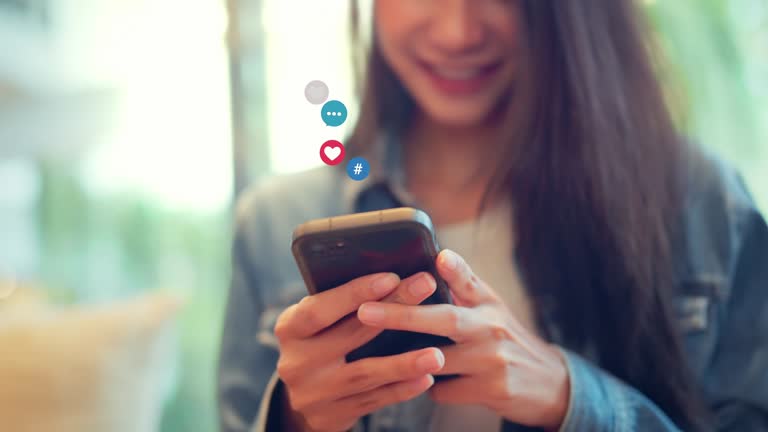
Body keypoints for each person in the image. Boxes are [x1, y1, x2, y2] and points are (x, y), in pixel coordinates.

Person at [218, 1, 768, 431]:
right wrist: (298, 421)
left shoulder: (701, 202)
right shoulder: (273, 223)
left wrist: (569, 397)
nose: (458, 31)